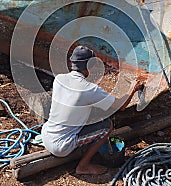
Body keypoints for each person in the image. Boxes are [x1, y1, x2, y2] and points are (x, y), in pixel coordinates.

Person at [41, 45, 143, 175]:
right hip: (61, 146)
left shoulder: (59, 79)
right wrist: (133, 89)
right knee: (107, 126)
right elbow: (120, 106)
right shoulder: (89, 89)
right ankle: (83, 166)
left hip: (46, 135)